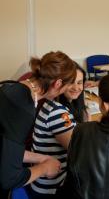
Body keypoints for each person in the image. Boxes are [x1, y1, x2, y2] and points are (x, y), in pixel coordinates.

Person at [0, 51, 77, 198]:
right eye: (66, 87)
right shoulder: (22, 108)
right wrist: (44, 168)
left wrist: (40, 158)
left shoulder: (13, 88)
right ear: (58, 84)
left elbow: (6, 149)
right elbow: (9, 179)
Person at [27, 63, 87, 198]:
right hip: (52, 188)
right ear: (61, 83)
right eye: (71, 82)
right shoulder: (58, 112)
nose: (77, 87)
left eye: (80, 82)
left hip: (53, 180)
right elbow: (79, 153)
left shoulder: (54, 103)